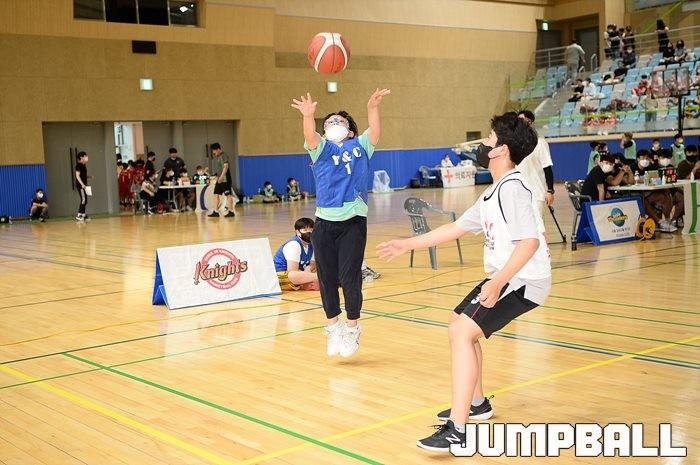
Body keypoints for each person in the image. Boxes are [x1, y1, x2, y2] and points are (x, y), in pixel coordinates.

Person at [376, 112, 549, 452]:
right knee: (458, 323)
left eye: (489, 138)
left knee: (462, 333)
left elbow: (529, 243)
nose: (483, 143)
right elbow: (455, 228)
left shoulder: (513, 189)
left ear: (501, 150)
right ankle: (478, 404)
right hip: (507, 275)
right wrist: (407, 244)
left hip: (523, 279)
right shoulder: (494, 191)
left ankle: (457, 429)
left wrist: (497, 283)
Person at [291, 88, 390, 358]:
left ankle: (352, 327)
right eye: (329, 122)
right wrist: (308, 116)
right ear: (324, 132)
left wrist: (372, 107)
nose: (334, 123)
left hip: (353, 223)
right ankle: (333, 327)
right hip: (324, 223)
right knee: (326, 278)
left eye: (340, 121)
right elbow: (309, 135)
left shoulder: (361, 146)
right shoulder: (320, 149)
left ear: (351, 131)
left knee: (350, 277)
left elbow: (375, 130)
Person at [516, 111, 555, 214]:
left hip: (536, 194)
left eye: (521, 120)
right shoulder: (516, 144)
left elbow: (547, 168)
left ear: (530, 122)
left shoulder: (540, 143)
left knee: (537, 223)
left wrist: (550, 190)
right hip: (518, 193)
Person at [273, 217, 319, 291]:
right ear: (298, 232)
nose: (309, 232)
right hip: (282, 274)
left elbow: (313, 264)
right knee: (293, 275)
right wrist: (307, 276)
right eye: (305, 230)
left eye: (311, 230)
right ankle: (321, 278)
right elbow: (292, 271)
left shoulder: (312, 244)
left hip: (300, 273)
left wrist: (308, 269)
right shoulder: (294, 245)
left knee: (320, 266)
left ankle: (310, 282)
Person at [208, 142, 236, 218]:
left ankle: (231, 211)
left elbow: (225, 167)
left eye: (214, 150)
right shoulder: (217, 157)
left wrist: (221, 177)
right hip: (219, 179)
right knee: (216, 194)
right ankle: (215, 211)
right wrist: (217, 177)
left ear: (218, 149)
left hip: (225, 179)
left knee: (228, 195)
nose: (213, 152)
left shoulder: (224, 155)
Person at [75, 151, 90, 222]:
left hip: (84, 186)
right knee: (83, 200)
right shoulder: (78, 165)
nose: (86, 157)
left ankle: (83, 215)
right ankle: (79, 215)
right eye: (85, 156)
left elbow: (82, 175)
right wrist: (82, 184)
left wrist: (89, 176)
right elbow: (77, 176)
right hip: (81, 186)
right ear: (81, 157)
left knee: (85, 200)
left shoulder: (83, 165)